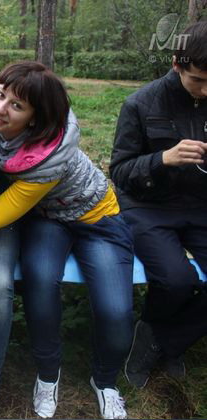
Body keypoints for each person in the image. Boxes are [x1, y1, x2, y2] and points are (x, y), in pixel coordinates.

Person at [0, 61, 134, 419]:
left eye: (16, 105)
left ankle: (105, 381)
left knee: (116, 312)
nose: (0, 108)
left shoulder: (43, 163)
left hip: (98, 221)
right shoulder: (1, 109)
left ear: (35, 118)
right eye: (1, 94)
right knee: (40, 284)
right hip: (49, 220)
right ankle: (47, 373)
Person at [110, 21, 207, 389]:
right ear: (176, 64)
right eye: (198, 80)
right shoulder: (140, 104)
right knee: (176, 280)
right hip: (147, 207)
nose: (205, 89)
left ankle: (163, 341)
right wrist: (162, 159)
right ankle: (160, 339)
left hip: (200, 205)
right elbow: (119, 172)